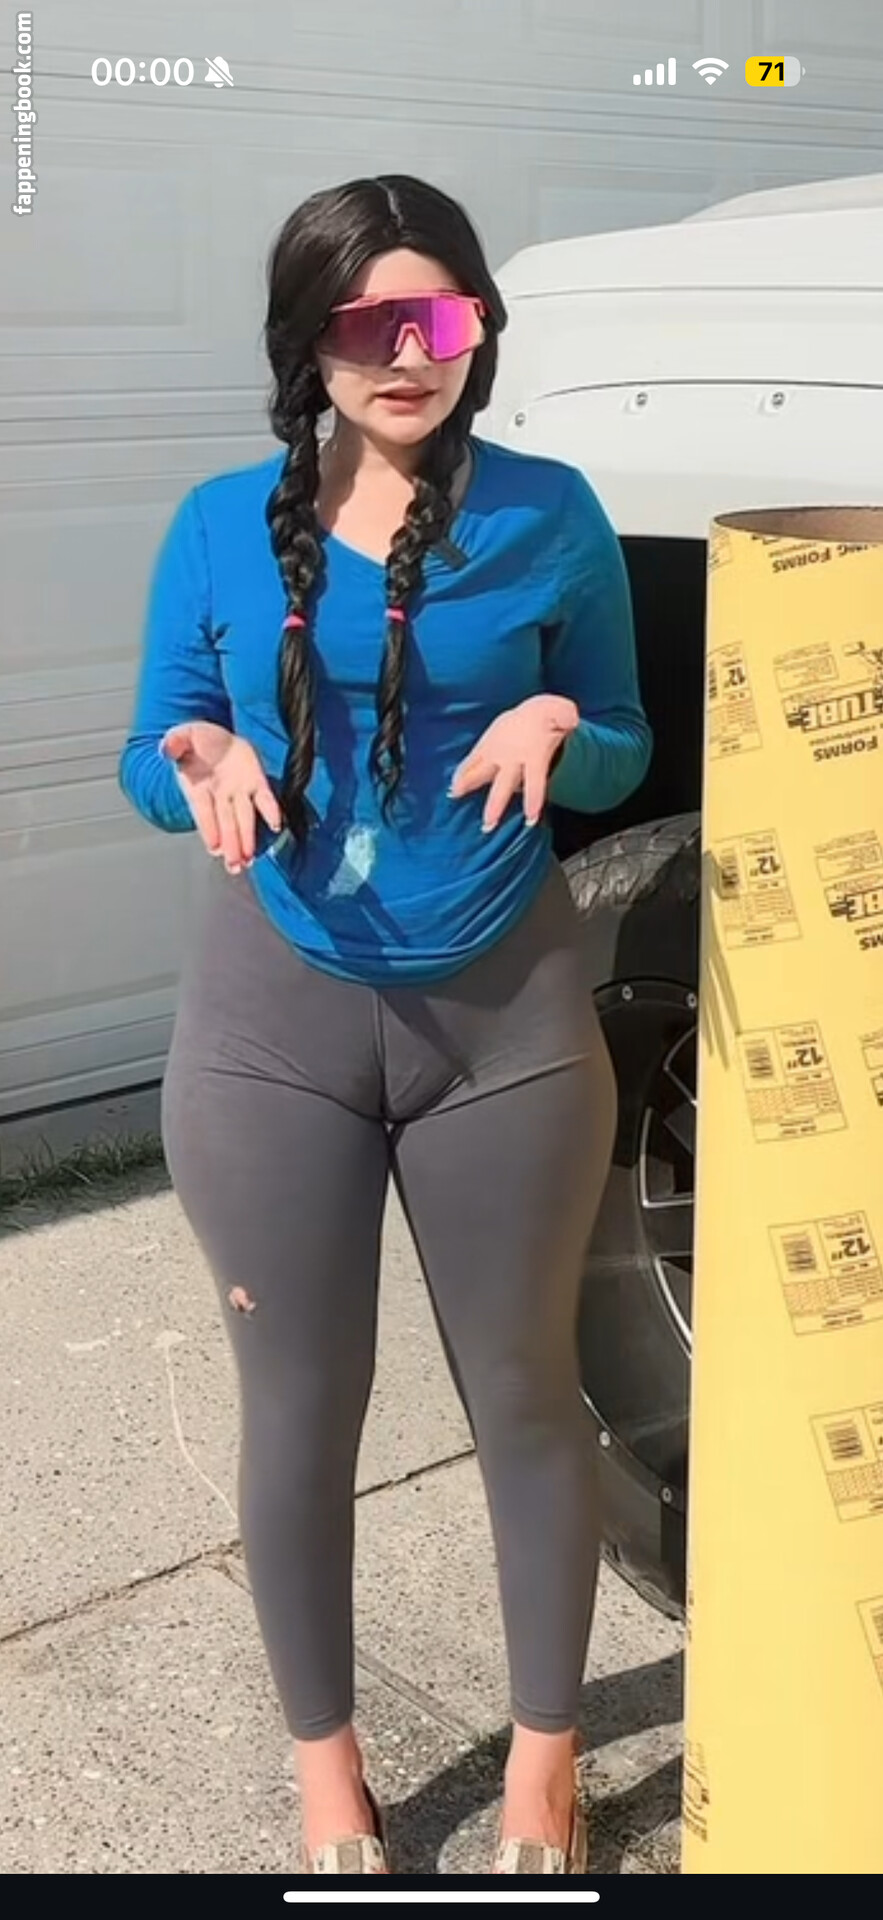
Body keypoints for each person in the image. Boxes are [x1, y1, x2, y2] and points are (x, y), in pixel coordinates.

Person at [118, 173, 652, 1877]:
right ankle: (331, 1775)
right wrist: (201, 760)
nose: (406, 354)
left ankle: (546, 1766)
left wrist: (565, 723)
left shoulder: (554, 513)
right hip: (271, 1030)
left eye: (438, 316)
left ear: (479, 326)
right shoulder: (221, 523)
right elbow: (155, 748)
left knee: (529, 1392)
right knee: (299, 1408)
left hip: (505, 1021)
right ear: (310, 342)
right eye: (367, 321)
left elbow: (629, 740)